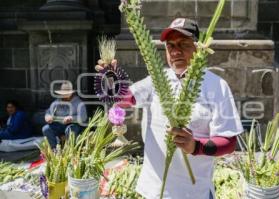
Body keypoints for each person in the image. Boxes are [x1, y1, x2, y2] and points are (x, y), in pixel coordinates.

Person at [96, 18, 243, 199]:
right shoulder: (157, 80)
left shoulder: (217, 86)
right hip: (152, 191)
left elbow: (228, 142)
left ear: (198, 47)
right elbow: (125, 98)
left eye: (183, 44)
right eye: (170, 46)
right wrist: (111, 78)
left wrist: (196, 146)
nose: (175, 51)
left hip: (194, 193)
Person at [42, 81, 87, 149]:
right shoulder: (57, 102)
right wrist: (48, 117)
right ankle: (54, 150)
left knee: (70, 130)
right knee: (46, 129)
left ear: (71, 93)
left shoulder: (79, 103)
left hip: (73, 125)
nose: (64, 96)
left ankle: (70, 150)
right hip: (59, 125)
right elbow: (48, 113)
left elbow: (83, 117)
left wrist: (71, 118)